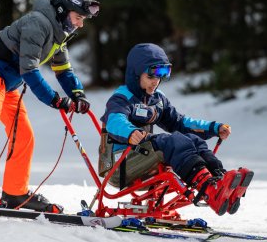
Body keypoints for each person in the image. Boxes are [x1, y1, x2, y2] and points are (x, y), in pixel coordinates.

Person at [0, 0, 100, 213]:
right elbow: (29, 70)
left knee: (24, 135)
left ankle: (15, 192)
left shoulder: (60, 33)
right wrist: (55, 99)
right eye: (78, 17)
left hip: (7, 85)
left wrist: (77, 94)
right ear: (61, 11)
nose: (80, 23)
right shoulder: (37, 23)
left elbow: (64, 70)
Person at [99, 43, 254, 216]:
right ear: (136, 73)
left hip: (142, 156)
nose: (156, 82)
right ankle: (210, 191)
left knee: (193, 140)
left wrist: (213, 128)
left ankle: (220, 182)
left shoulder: (156, 100)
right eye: (152, 75)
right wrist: (130, 132)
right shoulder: (122, 98)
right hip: (121, 165)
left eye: (162, 76)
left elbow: (180, 122)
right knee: (172, 141)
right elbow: (114, 120)